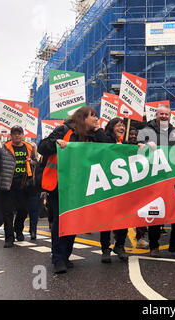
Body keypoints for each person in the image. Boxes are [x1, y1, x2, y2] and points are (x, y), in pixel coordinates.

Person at [38, 106, 109, 274]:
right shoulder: (63, 130)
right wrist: (56, 143)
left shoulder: (93, 135)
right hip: (59, 185)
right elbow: (42, 147)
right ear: (82, 117)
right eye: (93, 116)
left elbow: (108, 148)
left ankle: (66, 256)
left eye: (97, 116)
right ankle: (58, 259)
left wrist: (98, 131)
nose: (96, 119)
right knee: (61, 221)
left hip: (80, 186)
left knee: (73, 221)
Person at [138, 104, 175, 258]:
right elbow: (135, 147)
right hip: (155, 177)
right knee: (155, 212)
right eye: (161, 114)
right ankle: (154, 246)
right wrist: (144, 146)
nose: (164, 116)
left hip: (173, 177)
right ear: (156, 115)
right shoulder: (147, 130)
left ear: (170, 116)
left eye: (166, 114)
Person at [0, 126, 37, 248]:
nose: (17, 136)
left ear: (23, 134)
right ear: (11, 135)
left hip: (24, 186)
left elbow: (36, 163)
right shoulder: (4, 148)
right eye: (14, 133)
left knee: (23, 211)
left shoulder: (29, 148)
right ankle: (9, 238)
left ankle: (18, 230)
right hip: (8, 185)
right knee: (7, 213)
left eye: (19, 133)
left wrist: (32, 162)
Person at [99, 117, 129, 263]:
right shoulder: (105, 140)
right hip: (107, 185)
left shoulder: (126, 143)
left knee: (124, 217)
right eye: (118, 125)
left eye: (123, 125)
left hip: (123, 187)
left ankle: (120, 245)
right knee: (106, 219)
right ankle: (105, 248)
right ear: (111, 127)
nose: (121, 127)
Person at [127, 126, 150, 249]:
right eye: (131, 134)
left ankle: (140, 238)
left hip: (139, 185)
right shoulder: (121, 145)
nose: (133, 136)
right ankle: (118, 240)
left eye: (135, 134)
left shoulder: (142, 146)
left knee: (141, 213)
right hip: (125, 185)